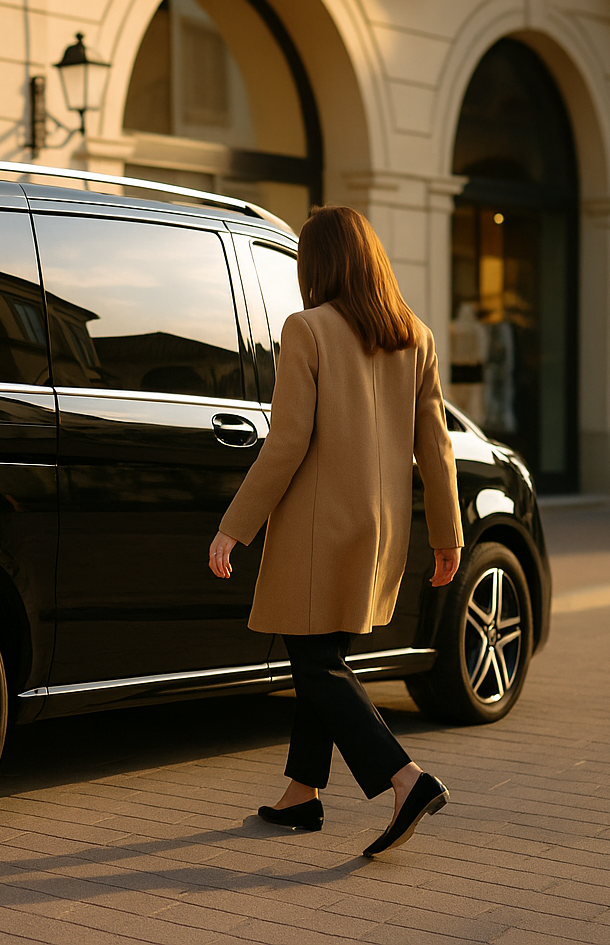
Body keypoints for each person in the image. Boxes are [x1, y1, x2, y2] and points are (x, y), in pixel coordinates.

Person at [207, 205, 463, 857]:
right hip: (380, 533)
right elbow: (437, 449)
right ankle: (301, 794)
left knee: (315, 664)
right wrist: (447, 536)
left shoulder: (307, 329)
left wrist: (234, 527)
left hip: (318, 531)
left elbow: (287, 442)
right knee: (325, 661)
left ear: (318, 265)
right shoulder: (417, 336)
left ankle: (404, 778)